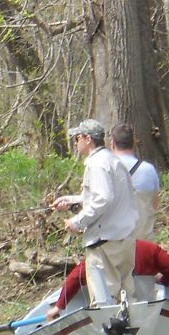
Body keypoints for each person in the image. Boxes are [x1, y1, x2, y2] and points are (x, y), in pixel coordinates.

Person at [49, 118, 139, 308]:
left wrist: (77, 222)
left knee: (104, 301)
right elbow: (102, 197)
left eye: (77, 138)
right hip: (124, 239)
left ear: (87, 139)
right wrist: (72, 201)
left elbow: (102, 199)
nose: (75, 143)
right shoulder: (111, 160)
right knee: (126, 297)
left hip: (104, 244)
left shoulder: (96, 164)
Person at [45, 239, 169, 319]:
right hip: (146, 313)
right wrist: (164, 281)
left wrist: (59, 307)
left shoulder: (100, 255)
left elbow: (75, 279)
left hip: (113, 314)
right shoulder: (148, 248)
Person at [109, 122, 160, 241]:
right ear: (133, 143)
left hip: (115, 246)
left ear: (112, 144)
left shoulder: (106, 170)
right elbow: (154, 204)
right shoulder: (149, 170)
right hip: (145, 243)